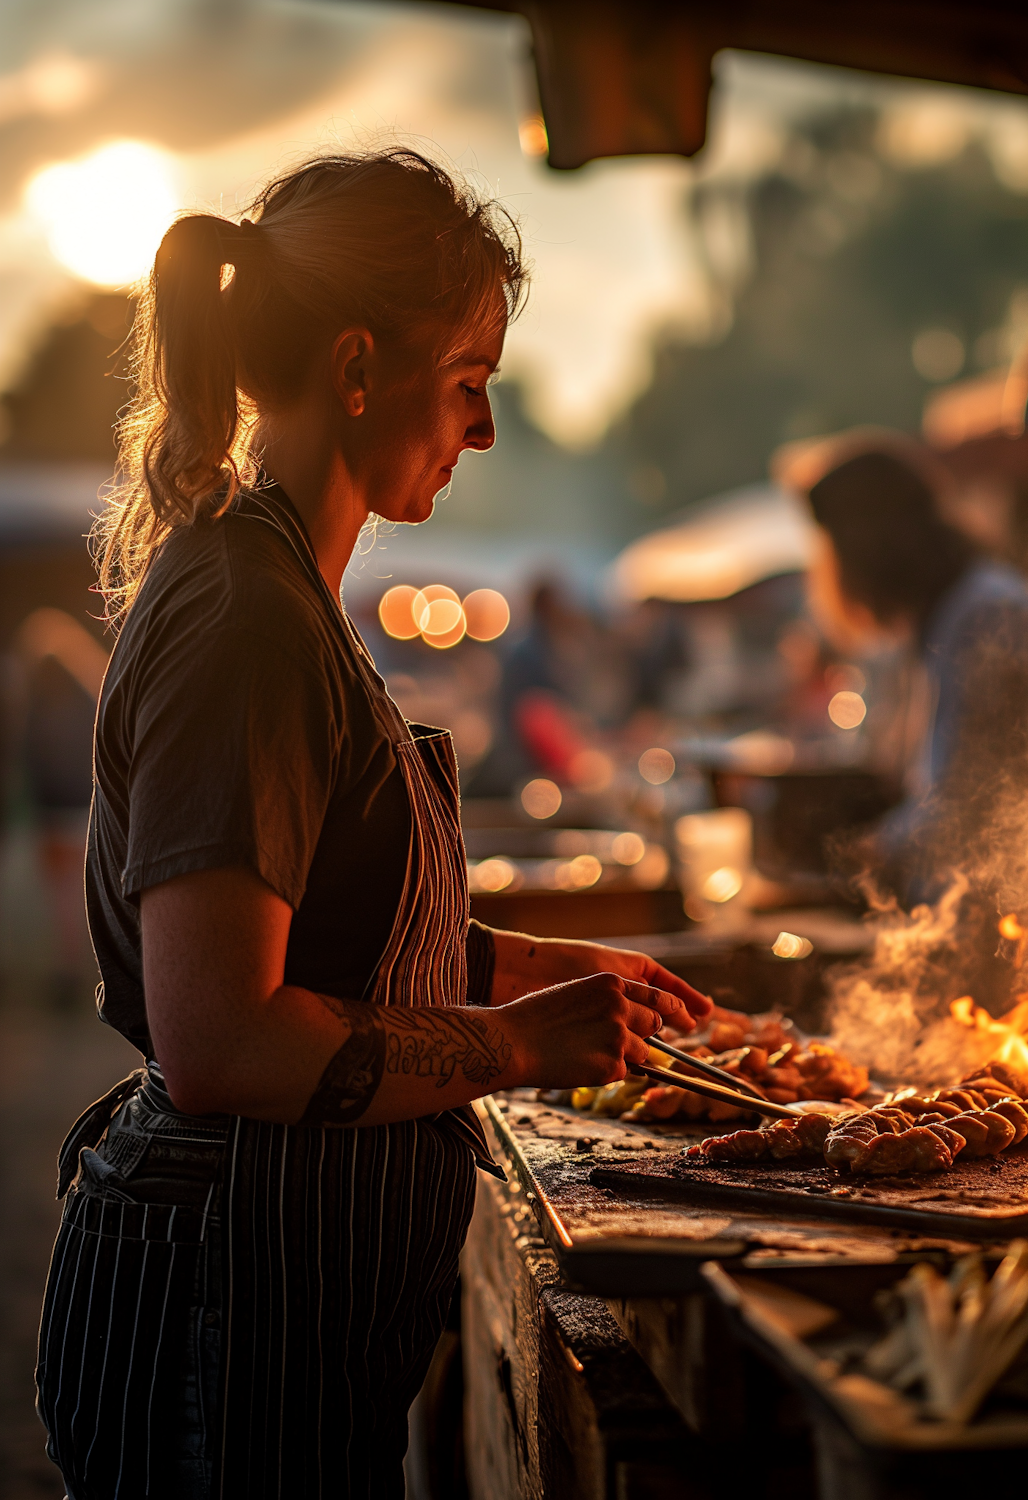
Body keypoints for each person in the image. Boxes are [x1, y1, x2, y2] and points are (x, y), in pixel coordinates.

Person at [36, 148, 711, 1499]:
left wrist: (527, 969)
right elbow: (223, 1034)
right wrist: (516, 1043)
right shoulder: (247, 624)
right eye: (469, 385)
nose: (485, 431)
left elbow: (327, 937)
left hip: (278, 1299)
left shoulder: (283, 593)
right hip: (224, 1317)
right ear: (357, 370)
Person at [799, 441, 1028, 905]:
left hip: (1014, 908)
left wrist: (870, 849)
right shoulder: (953, 612)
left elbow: (964, 801)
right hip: (985, 902)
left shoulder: (984, 616)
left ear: (872, 547)